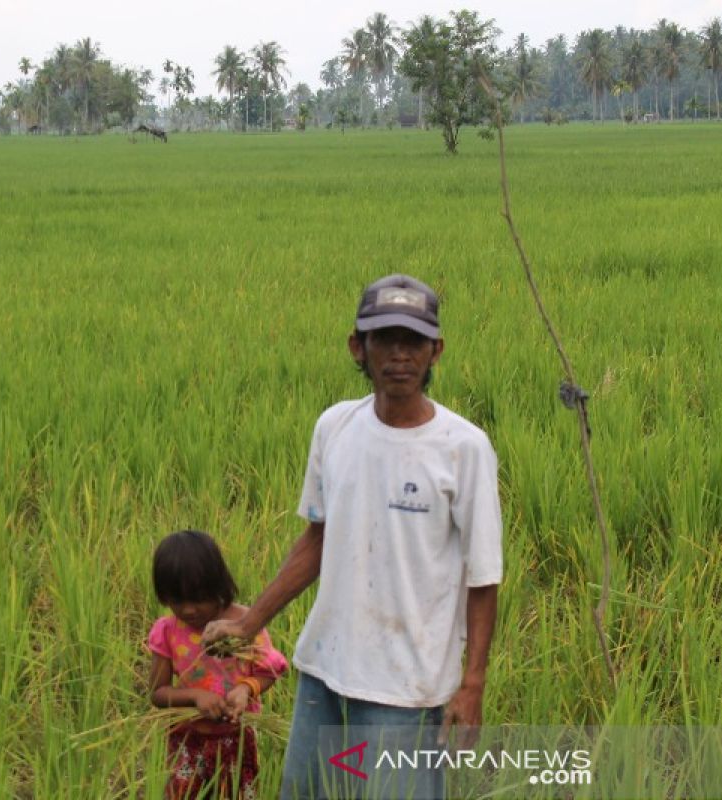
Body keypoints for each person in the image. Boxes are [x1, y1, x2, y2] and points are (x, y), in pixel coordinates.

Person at [203, 274, 503, 800]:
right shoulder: (335, 427)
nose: (398, 356)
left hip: (406, 688)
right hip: (324, 669)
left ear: (436, 351)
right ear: (357, 348)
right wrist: (251, 622)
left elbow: (484, 579)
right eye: (383, 339)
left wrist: (472, 683)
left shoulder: (464, 448)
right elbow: (317, 540)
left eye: (412, 342)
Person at [148, 529, 290, 799]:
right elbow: (158, 693)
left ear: (218, 586)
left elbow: (270, 670)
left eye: (199, 598)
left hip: (237, 738)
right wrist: (195, 696)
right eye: (177, 601)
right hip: (187, 738)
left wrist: (245, 689)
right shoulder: (167, 631)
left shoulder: (244, 624)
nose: (189, 610)